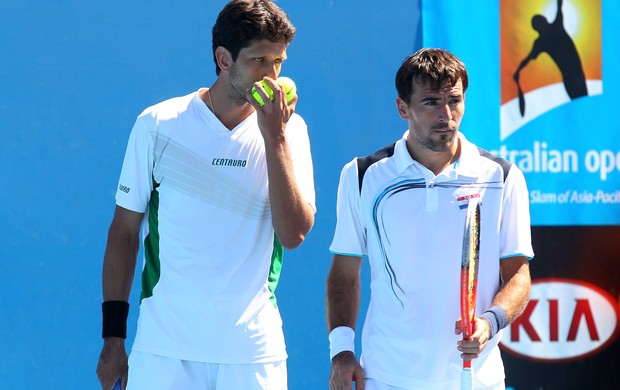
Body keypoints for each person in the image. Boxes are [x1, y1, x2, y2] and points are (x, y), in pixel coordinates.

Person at [95, 1, 316, 389]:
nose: (272, 76)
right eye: (259, 60)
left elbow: (294, 235)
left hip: (252, 352)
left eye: (278, 62)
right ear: (223, 58)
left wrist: (275, 136)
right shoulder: (158, 124)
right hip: (164, 350)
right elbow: (124, 232)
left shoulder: (290, 131)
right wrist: (113, 338)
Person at [326, 48, 534, 390]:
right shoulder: (362, 176)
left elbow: (518, 275)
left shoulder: (503, 177)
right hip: (386, 376)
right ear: (402, 108)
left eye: (454, 100)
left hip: (476, 378)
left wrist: (491, 321)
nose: (446, 115)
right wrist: (341, 352)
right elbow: (344, 275)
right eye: (431, 103)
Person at [513, 0, 588, 101]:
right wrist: (518, 71)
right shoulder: (549, 33)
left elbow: (559, 4)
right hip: (572, 77)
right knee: (582, 103)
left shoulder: (542, 40)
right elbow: (527, 59)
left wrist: (517, 72)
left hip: (574, 76)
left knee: (582, 103)